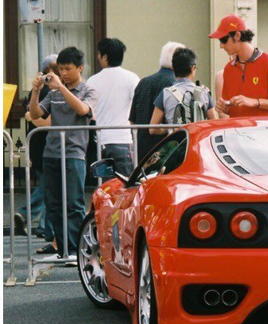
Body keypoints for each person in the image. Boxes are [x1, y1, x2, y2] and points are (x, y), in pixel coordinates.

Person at [29, 47, 97, 264]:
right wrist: (36, 91)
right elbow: (36, 113)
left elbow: (83, 110)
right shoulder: (54, 92)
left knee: (74, 204)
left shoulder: (88, 90)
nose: (64, 73)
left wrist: (60, 87)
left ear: (80, 68)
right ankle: (63, 250)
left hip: (74, 154)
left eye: (68, 69)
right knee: (54, 204)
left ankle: (77, 251)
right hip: (51, 154)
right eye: (61, 69)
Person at [14, 55, 58, 246]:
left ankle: (44, 226)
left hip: (38, 144)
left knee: (49, 185)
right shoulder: (49, 89)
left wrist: (30, 117)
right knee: (48, 185)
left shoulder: (39, 88)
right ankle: (26, 213)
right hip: (46, 144)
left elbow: (32, 116)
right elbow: (47, 121)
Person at [209, 14, 268, 118]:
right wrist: (225, 108)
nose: (221, 45)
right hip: (238, 132)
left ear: (237, 36)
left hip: (264, 132)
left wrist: (255, 102)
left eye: (223, 40)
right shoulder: (229, 69)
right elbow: (234, 110)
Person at [87, 38, 140, 176]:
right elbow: (138, 106)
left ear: (105, 57)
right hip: (123, 139)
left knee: (105, 187)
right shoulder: (131, 78)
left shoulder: (92, 81)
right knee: (126, 185)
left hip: (101, 140)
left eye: (99, 54)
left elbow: (88, 109)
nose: (98, 57)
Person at [129, 41, 184, 160]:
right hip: (165, 151)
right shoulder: (176, 85)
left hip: (142, 150)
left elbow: (132, 120)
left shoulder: (143, 82)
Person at [149, 47, 215, 135]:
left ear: (173, 68)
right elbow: (215, 123)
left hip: (178, 144)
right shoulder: (204, 92)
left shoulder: (166, 93)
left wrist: (170, 128)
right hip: (198, 143)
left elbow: (152, 129)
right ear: (193, 68)